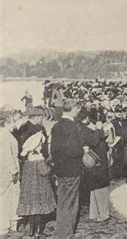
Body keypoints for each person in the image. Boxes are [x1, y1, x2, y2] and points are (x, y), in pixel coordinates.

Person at [50, 99, 85, 238]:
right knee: (70, 203)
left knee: (63, 201)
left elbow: (54, 150)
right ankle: (66, 234)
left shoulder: (56, 126)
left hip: (60, 169)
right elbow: (73, 151)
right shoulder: (72, 127)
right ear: (74, 109)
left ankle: (62, 232)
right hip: (72, 170)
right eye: (78, 109)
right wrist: (83, 150)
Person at [17, 132, 56, 237]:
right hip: (40, 188)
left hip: (30, 189)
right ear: (36, 146)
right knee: (39, 210)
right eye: (40, 144)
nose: (41, 146)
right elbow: (44, 171)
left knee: (31, 211)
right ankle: (38, 232)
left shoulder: (27, 159)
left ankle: (31, 231)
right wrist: (51, 167)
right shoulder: (39, 159)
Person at [80, 111, 110, 222]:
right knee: (100, 187)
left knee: (96, 188)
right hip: (96, 163)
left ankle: (95, 213)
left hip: (98, 162)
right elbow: (93, 141)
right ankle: (102, 213)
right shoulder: (86, 131)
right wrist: (98, 129)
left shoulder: (92, 131)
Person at [0, 114, 21, 236]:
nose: (14, 125)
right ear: (6, 123)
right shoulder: (3, 136)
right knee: (5, 199)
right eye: (13, 122)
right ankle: (3, 226)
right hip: (7, 173)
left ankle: (11, 224)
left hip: (7, 171)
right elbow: (6, 156)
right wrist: (13, 171)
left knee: (11, 198)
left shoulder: (6, 135)